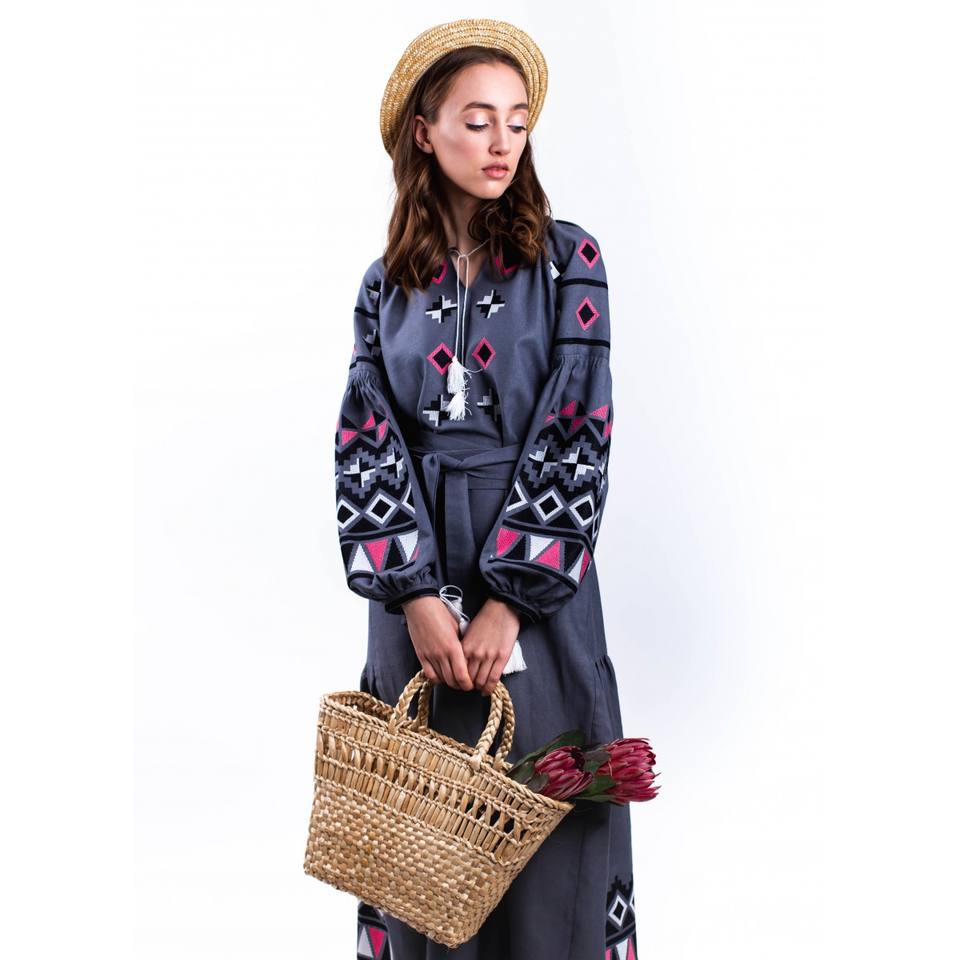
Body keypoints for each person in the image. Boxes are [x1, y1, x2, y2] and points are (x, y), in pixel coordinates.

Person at [333, 19, 637, 960]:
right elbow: (364, 440)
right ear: (425, 132)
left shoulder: (568, 262)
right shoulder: (386, 284)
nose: (502, 142)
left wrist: (510, 600)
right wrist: (415, 596)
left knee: (549, 812)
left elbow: (579, 427)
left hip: (538, 576)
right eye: (477, 120)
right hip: (416, 575)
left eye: (517, 121)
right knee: (419, 832)